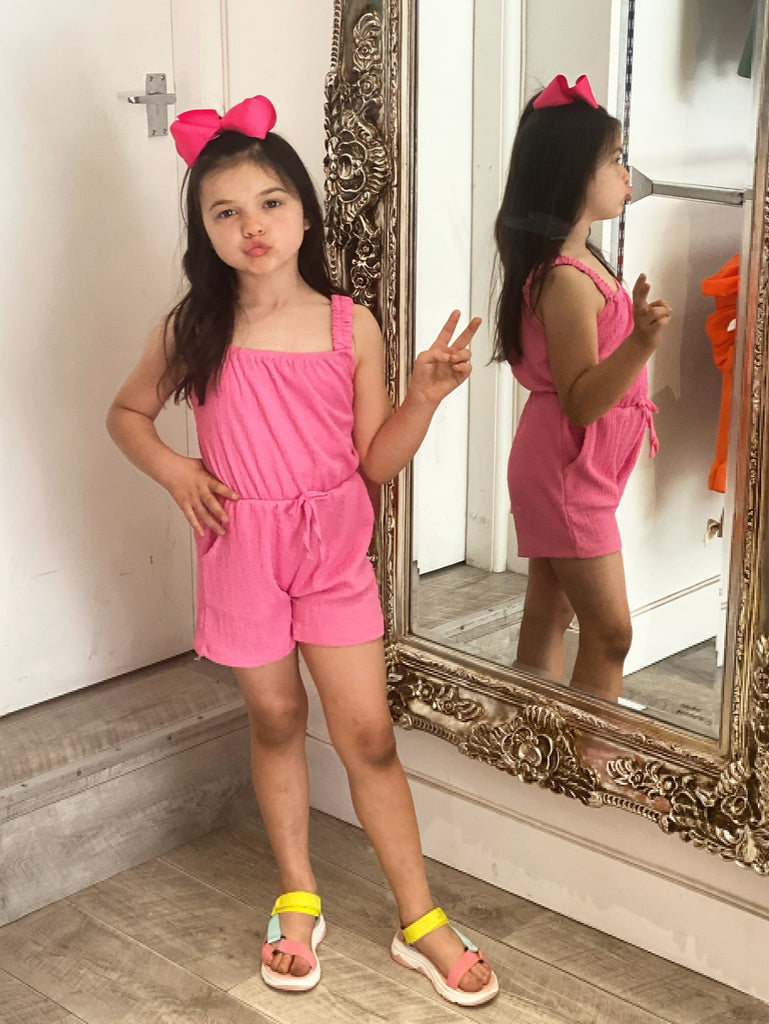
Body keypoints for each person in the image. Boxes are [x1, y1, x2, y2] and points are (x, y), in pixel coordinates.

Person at [106, 95, 498, 1007]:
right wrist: (175, 470)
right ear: (204, 231)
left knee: (368, 735)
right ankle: (297, 895)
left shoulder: (349, 326)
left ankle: (419, 919)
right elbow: (126, 415)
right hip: (240, 548)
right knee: (277, 719)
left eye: (271, 202)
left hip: (331, 552)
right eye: (225, 212)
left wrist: (423, 399)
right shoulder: (192, 329)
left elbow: (375, 461)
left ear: (306, 212)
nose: (252, 226)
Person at [492, 74, 672, 703]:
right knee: (611, 631)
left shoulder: (582, 259)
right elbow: (582, 399)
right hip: (568, 466)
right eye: (616, 159)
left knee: (551, 611)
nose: (627, 174)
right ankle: (592, 752)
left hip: (572, 461)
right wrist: (640, 345)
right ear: (572, 174)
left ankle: (533, 735)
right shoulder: (566, 279)